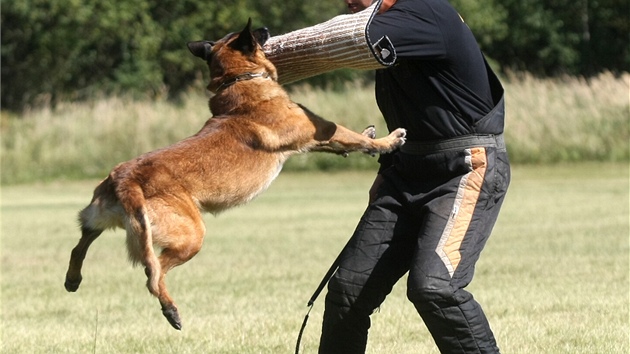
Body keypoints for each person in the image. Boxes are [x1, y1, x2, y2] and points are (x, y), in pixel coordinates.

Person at [264, 0, 510, 352]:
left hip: (465, 167)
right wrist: (386, 170)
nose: (347, 1)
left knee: (436, 288)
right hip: (405, 170)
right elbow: (412, 112)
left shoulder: (424, 11)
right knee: (348, 290)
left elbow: (344, 42)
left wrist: (255, 56)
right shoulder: (394, 32)